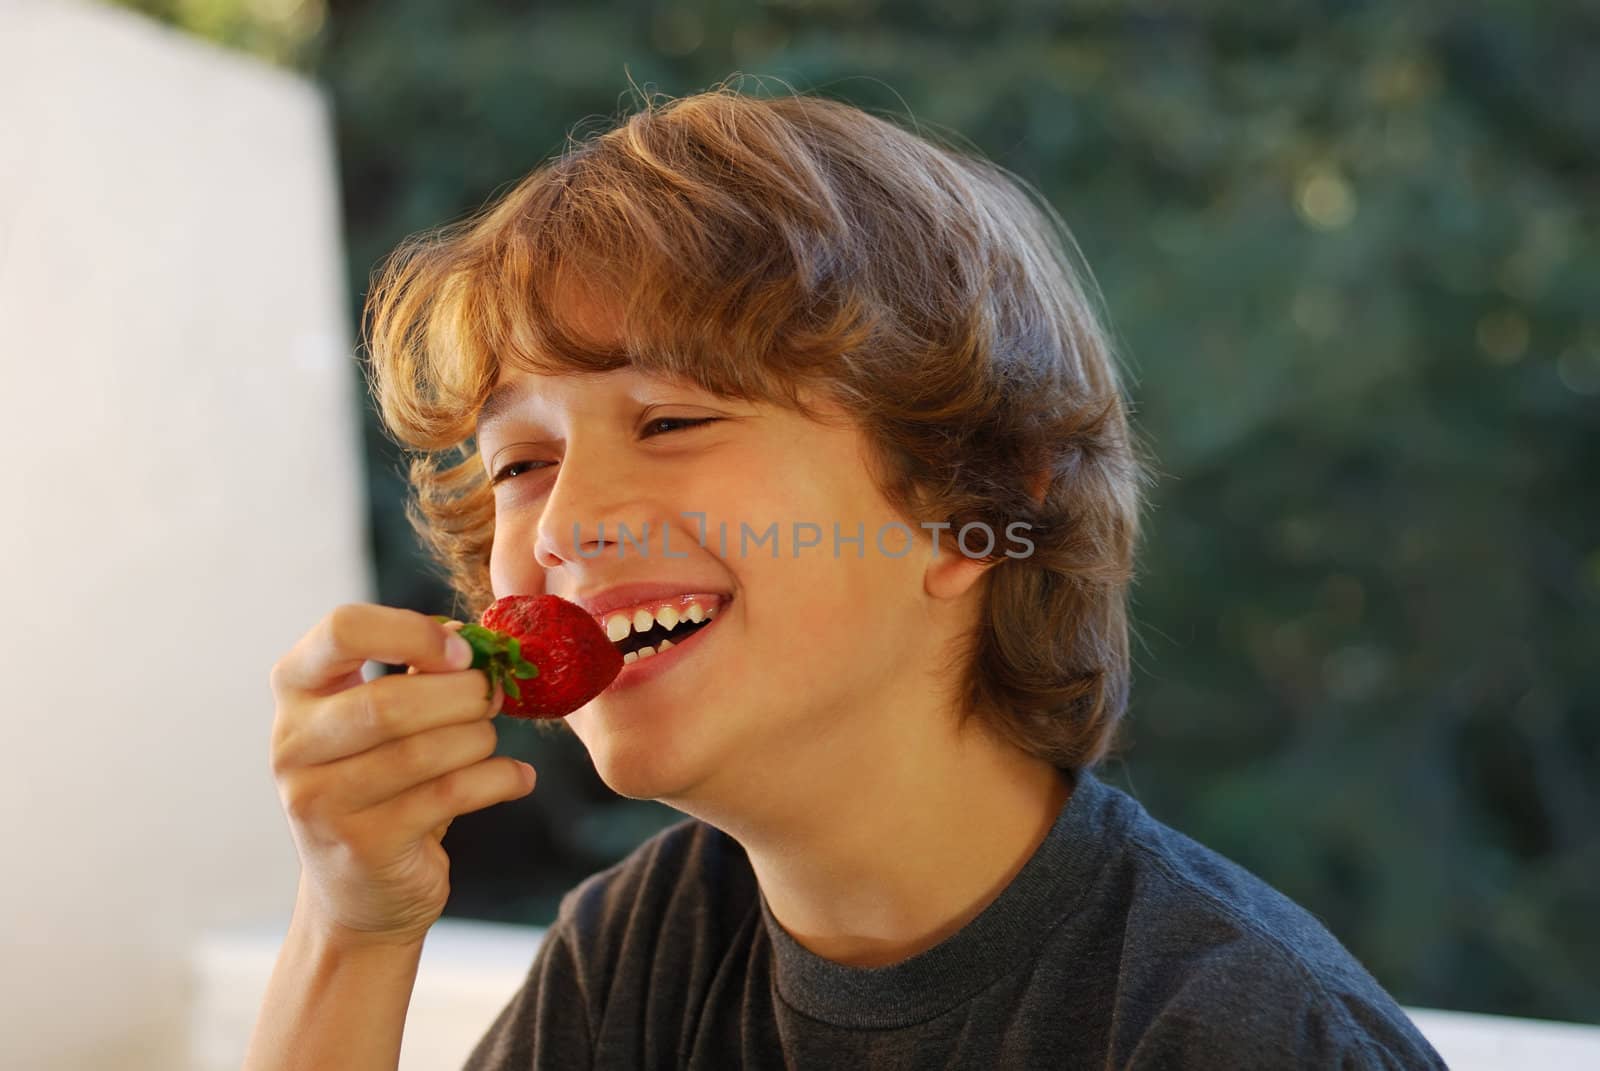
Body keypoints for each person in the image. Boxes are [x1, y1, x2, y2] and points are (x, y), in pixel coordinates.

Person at [245, 83, 1448, 1069]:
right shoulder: (641, 952)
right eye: (521, 460)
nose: (566, 522)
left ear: (974, 501)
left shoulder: (1233, 1035)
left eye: (669, 421)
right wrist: (353, 927)